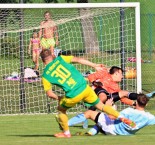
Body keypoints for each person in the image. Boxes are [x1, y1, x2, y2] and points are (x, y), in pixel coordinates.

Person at [40, 49, 135, 138]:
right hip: (85, 88)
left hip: (73, 94)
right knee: (101, 106)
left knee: (61, 110)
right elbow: (79, 60)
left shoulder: (45, 76)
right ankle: (122, 117)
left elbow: (50, 94)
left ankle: (66, 133)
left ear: (43, 61)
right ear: (52, 55)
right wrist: (94, 65)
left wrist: (59, 97)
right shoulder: (61, 58)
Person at [68, 66, 138, 127]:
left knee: (112, 116)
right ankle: (89, 113)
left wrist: (133, 103)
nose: (122, 76)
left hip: (104, 101)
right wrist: (94, 82)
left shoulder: (116, 87)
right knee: (103, 97)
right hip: (93, 94)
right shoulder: (104, 74)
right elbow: (90, 76)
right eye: (121, 74)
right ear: (116, 73)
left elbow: (123, 99)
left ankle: (98, 125)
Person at [80, 93, 155, 136]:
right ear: (147, 104)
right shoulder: (149, 117)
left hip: (113, 130)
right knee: (100, 122)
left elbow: (111, 117)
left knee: (91, 114)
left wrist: (108, 107)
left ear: (136, 102)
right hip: (127, 135)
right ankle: (90, 133)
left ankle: (86, 133)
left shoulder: (128, 111)